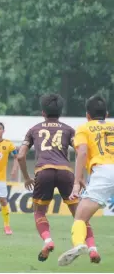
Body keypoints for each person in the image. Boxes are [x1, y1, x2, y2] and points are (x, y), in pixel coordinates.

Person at [18, 93, 98, 263]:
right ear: (60, 112)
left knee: (39, 212)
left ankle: (48, 241)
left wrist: (26, 178)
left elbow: (20, 156)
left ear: (43, 113)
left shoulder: (34, 130)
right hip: (65, 172)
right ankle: (92, 249)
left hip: (44, 172)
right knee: (81, 216)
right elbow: (80, 152)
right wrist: (79, 177)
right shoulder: (68, 129)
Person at [58, 95, 113, 266]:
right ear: (107, 113)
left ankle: (80, 244)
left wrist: (77, 180)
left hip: (104, 172)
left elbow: (81, 152)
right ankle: (89, 248)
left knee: (80, 218)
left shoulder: (84, 128)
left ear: (88, 115)